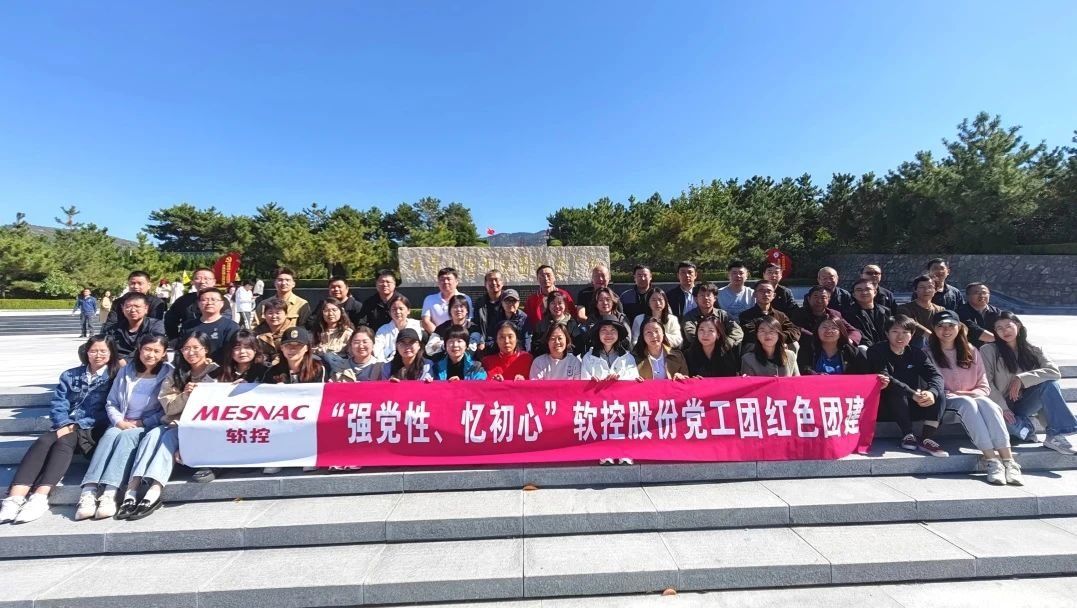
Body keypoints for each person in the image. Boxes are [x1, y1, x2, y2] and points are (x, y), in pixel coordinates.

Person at [0, 338, 117, 524]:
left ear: (111, 354)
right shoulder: (70, 375)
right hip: (66, 425)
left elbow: (110, 409)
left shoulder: (114, 377)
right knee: (43, 441)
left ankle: (40, 496)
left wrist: (75, 425)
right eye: (94, 351)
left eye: (103, 351)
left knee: (64, 441)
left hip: (92, 428)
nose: (98, 355)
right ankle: (15, 498)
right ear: (86, 352)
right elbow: (59, 403)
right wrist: (64, 423)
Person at [119, 332, 220, 514]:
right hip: (173, 422)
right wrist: (185, 395)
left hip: (198, 428)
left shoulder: (218, 372)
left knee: (168, 438)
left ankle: (154, 490)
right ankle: (132, 489)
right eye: (186, 348)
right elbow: (169, 408)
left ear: (206, 349)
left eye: (196, 348)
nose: (191, 352)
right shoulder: (176, 373)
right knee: (152, 435)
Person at [75, 335, 171, 521]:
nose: (150, 354)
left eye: (156, 351)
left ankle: (110, 493)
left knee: (127, 437)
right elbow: (111, 402)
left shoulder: (169, 373)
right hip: (122, 420)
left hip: (147, 424)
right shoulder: (127, 370)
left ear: (163, 353)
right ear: (139, 349)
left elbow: (165, 410)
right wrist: (119, 421)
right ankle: (89, 490)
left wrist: (142, 423)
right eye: (147, 349)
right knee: (110, 435)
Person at [926, 311, 1020, 484]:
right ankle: (991, 461)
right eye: (941, 326)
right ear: (934, 329)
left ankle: (1009, 461)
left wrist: (968, 394)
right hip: (946, 404)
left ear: (959, 327)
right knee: (968, 403)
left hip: (974, 399)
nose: (946, 330)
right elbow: (933, 387)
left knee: (989, 404)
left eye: (951, 325)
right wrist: (963, 395)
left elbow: (984, 385)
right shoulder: (927, 353)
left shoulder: (971, 350)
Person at [981, 312, 1077, 454]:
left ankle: (1055, 434)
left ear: (1018, 326)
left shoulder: (1033, 349)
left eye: (1008, 326)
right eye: (999, 328)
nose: (1005, 331)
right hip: (1001, 405)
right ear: (995, 331)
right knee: (1005, 424)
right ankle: (1027, 430)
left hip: (1025, 402)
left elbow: (1054, 372)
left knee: (1050, 385)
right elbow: (986, 382)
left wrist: (1022, 379)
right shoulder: (988, 350)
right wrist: (1003, 408)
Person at [866, 316, 946, 456]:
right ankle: (908, 434)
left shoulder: (916, 353)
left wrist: (931, 393)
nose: (900, 336)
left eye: (905, 332)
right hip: (887, 405)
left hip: (914, 403)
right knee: (893, 390)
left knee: (938, 393)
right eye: (895, 331)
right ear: (887, 333)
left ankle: (927, 438)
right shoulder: (876, 351)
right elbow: (886, 378)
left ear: (912, 334)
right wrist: (913, 394)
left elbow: (935, 376)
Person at [164, 268, 231, 342]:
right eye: (198, 278)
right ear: (192, 281)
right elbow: (170, 320)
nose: (202, 282)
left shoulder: (221, 300)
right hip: (188, 342)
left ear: (214, 282)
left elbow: (225, 322)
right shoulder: (184, 300)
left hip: (214, 340)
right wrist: (174, 340)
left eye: (207, 279)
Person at [103, 293, 167, 367]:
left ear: (146, 309)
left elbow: (152, 346)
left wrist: (126, 360)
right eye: (128, 306)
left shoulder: (156, 325)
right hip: (117, 366)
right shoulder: (113, 329)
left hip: (149, 366)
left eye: (137, 306)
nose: (133, 310)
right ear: (122, 308)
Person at [179, 288, 240, 362]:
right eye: (205, 300)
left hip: (221, 367)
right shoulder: (188, 326)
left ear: (222, 303)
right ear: (198, 303)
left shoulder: (231, 326)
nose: (209, 303)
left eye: (214, 300)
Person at [791, 286, 862, 347]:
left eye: (823, 297)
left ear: (828, 300)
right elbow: (799, 330)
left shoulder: (834, 314)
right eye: (816, 296)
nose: (819, 300)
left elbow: (853, 331)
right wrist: (825, 339)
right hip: (808, 348)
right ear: (809, 299)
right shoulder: (799, 313)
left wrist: (849, 340)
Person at [797, 318, 869, 375]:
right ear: (817, 330)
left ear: (841, 332)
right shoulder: (809, 349)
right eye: (824, 327)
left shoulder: (850, 351)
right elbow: (803, 369)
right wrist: (816, 375)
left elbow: (863, 373)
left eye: (833, 328)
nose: (829, 331)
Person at [102, 271, 167, 334]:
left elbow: (155, 325)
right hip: (120, 335)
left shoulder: (156, 303)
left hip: (146, 337)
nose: (136, 286)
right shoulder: (118, 302)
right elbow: (110, 324)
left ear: (149, 285)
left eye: (140, 283)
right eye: (132, 283)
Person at [739, 281, 799, 348]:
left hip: (779, 346)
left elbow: (794, 330)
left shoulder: (780, 315)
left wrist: (781, 339)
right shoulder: (746, 316)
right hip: (757, 347)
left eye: (769, 291)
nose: (765, 294)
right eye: (761, 291)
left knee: (794, 345)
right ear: (754, 294)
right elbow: (750, 334)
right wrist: (775, 340)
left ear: (774, 295)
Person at [684, 282, 744, 348]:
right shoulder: (689, 316)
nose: (706, 298)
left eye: (708, 295)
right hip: (698, 349)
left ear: (715, 298)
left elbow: (737, 331)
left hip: (723, 348)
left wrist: (726, 343)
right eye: (702, 295)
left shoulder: (723, 314)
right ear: (696, 299)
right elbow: (691, 334)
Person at [581, 315, 639, 381]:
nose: (608, 334)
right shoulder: (588, 358)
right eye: (604, 330)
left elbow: (633, 383)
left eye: (613, 330)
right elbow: (583, 382)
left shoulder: (628, 358)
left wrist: (617, 381)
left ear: (618, 334)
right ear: (598, 334)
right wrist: (592, 382)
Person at [530, 292, 587, 357]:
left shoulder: (572, 324)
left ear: (565, 305)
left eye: (560, 303)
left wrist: (561, 352)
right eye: (553, 303)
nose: (557, 306)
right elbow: (535, 347)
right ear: (548, 305)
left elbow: (578, 346)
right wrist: (551, 351)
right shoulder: (541, 325)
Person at [896, 275, 946, 349]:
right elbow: (911, 324)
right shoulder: (904, 308)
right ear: (915, 290)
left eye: (930, 287)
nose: (926, 290)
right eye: (922, 287)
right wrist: (931, 336)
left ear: (935, 290)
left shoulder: (940, 310)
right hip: (912, 347)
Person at [578, 287, 631, 353]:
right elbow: (590, 339)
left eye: (608, 299)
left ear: (613, 301)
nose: (605, 303)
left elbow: (627, 340)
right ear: (596, 303)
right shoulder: (591, 319)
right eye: (601, 300)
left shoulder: (621, 318)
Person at [524, 265, 577, 332]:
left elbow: (573, 314)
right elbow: (527, 319)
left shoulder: (564, 295)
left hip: (563, 331)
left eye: (548, 275)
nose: (546, 278)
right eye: (542, 276)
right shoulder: (532, 299)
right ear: (537, 279)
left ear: (554, 277)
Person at [420, 267, 472, 335]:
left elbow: (468, 320)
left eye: (448, 279)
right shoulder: (429, 299)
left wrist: (456, 337)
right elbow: (426, 321)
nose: (445, 282)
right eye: (442, 279)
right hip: (437, 336)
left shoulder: (465, 298)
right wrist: (439, 336)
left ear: (456, 282)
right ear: (438, 283)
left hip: (461, 336)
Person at [842, 278, 890, 348]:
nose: (864, 292)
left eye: (868, 289)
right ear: (854, 294)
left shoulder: (886, 311)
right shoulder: (847, 313)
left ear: (875, 292)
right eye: (859, 290)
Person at [374, 294, 423, 361]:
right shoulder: (383, 330)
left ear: (408, 311)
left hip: (414, 362)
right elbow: (377, 350)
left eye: (401, 309)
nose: (397, 312)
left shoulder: (418, 325)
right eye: (394, 309)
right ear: (389, 312)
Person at [958, 282, 1003, 348]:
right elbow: (975, 331)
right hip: (969, 350)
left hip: (993, 350)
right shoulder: (960, 312)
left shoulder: (997, 312)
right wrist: (1002, 339)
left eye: (984, 293)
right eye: (976, 293)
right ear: (967, 296)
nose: (981, 296)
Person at [484, 288, 528, 354]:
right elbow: (490, 337)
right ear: (502, 302)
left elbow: (526, 339)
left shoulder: (524, 318)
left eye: (514, 301)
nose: (510, 304)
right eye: (507, 301)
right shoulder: (496, 317)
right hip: (498, 352)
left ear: (518, 303)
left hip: (517, 353)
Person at [252, 297, 294, 365]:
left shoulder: (292, 332)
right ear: (264, 315)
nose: (274, 316)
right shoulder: (256, 332)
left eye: (278, 313)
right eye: (270, 313)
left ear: (286, 314)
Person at [475, 269, 505, 345]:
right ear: (485, 284)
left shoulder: (508, 301)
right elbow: (476, 324)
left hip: (503, 343)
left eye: (496, 280)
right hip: (484, 344)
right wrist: (480, 341)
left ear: (502, 283)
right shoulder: (479, 303)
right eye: (490, 280)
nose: (494, 283)